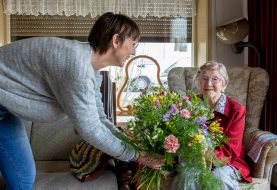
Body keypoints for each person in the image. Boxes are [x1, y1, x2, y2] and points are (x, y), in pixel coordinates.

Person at [0, 12, 164, 190]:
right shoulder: (78, 67)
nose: (133, 52)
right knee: (22, 182)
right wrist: (136, 155)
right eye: (133, 44)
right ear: (116, 41)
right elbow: (91, 130)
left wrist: (130, 144)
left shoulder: (91, 68)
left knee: (22, 178)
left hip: (5, 109)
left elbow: (100, 119)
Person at [171, 61, 252, 190]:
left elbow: (231, 151)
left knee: (218, 178)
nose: (209, 84)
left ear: (223, 84)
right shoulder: (187, 106)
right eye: (204, 78)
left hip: (227, 161)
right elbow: (179, 136)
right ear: (199, 83)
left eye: (215, 79)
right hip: (192, 159)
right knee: (188, 176)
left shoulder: (236, 110)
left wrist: (205, 153)